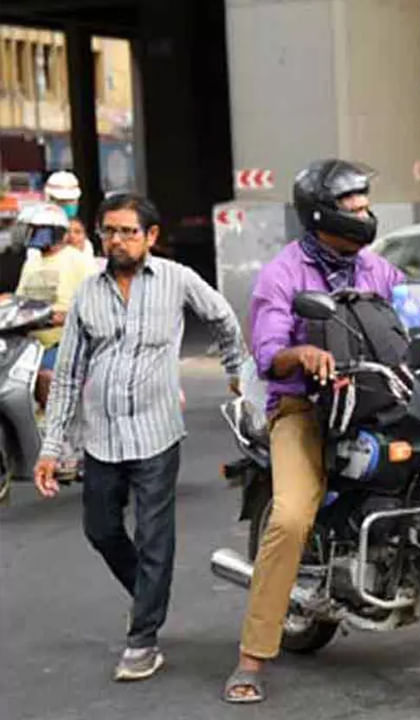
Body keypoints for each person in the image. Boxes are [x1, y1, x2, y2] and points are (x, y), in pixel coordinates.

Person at [224, 158, 420, 704]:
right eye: (352, 208)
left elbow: (419, 320)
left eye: (365, 206)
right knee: (290, 517)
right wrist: (300, 354)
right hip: (305, 410)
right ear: (320, 214)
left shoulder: (377, 271)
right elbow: (267, 352)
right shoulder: (284, 273)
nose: (363, 215)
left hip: (378, 402)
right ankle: (253, 656)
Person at [33, 192, 246, 682]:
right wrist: (51, 448)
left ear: (150, 236)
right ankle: (149, 596)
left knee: (154, 535)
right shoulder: (88, 293)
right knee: (100, 529)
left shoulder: (177, 279)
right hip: (101, 436)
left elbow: (222, 317)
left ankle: (143, 639)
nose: (118, 240)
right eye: (109, 231)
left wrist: (237, 369)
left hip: (156, 433)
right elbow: (67, 376)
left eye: (128, 231)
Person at [8, 203, 98, 409]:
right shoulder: (32, 263)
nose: (30, 234)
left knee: (45, 377)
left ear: (55, 231)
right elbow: (20, 299)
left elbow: (96, 303)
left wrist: (64, 317)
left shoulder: (78, 261)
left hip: (64, 342)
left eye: (36, 229)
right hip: (29, 342)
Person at [44, 169, 95, 261]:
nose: (68, 205)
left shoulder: (85, 244)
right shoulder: (40, 235)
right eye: (62, 202)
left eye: (71, 201)